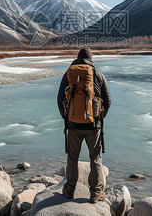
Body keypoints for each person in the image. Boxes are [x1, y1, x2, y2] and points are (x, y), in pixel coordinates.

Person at [57, 47, 111, 203]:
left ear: (77, 58)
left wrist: (67, 118)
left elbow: (60, 99)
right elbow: (108, 100)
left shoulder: (69, 75)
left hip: (73, 125)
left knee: (72, 158)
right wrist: (99, 118)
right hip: (94, 125)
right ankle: (95, 194)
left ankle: (69, 191)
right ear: (91, 59)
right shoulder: (98, 75)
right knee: (95, 159)